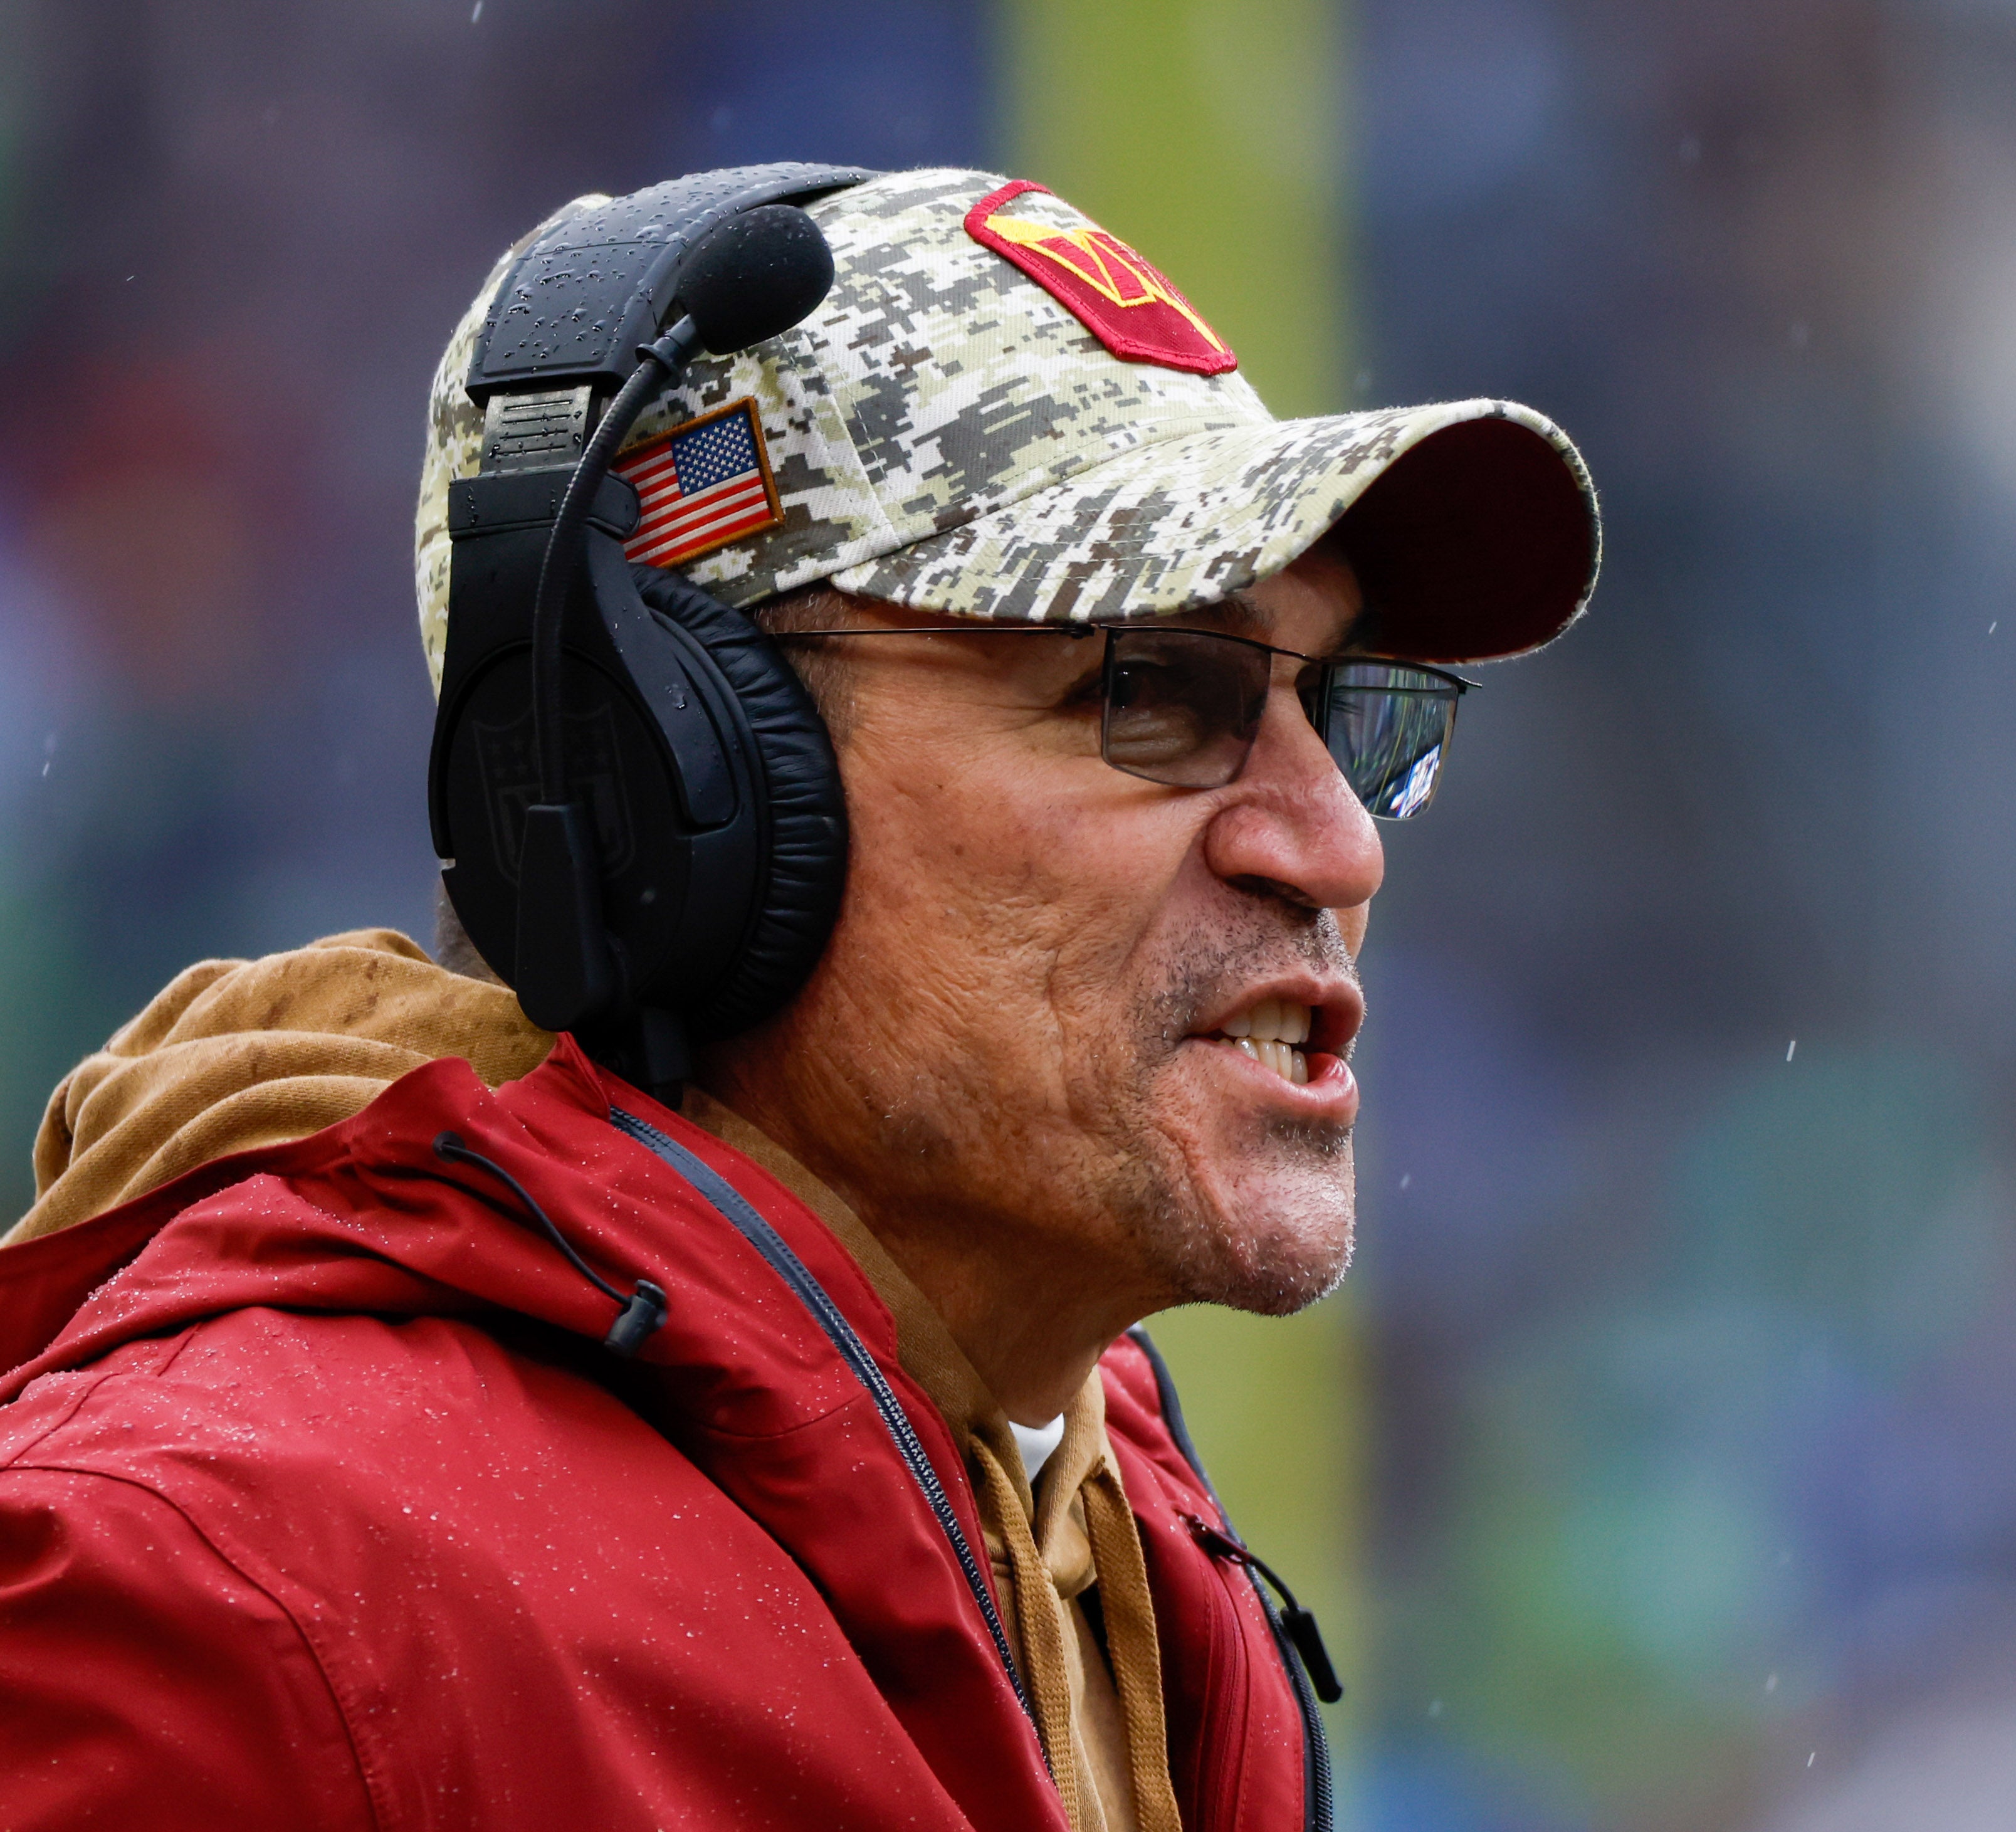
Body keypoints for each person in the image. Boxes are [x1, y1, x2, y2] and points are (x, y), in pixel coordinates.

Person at [0, 164, 1595, 1830]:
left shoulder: (1114, 1547)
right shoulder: (218, 1596)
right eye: (1156, 689)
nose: (1336, 843)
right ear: (666, 782)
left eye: (1344, 714)